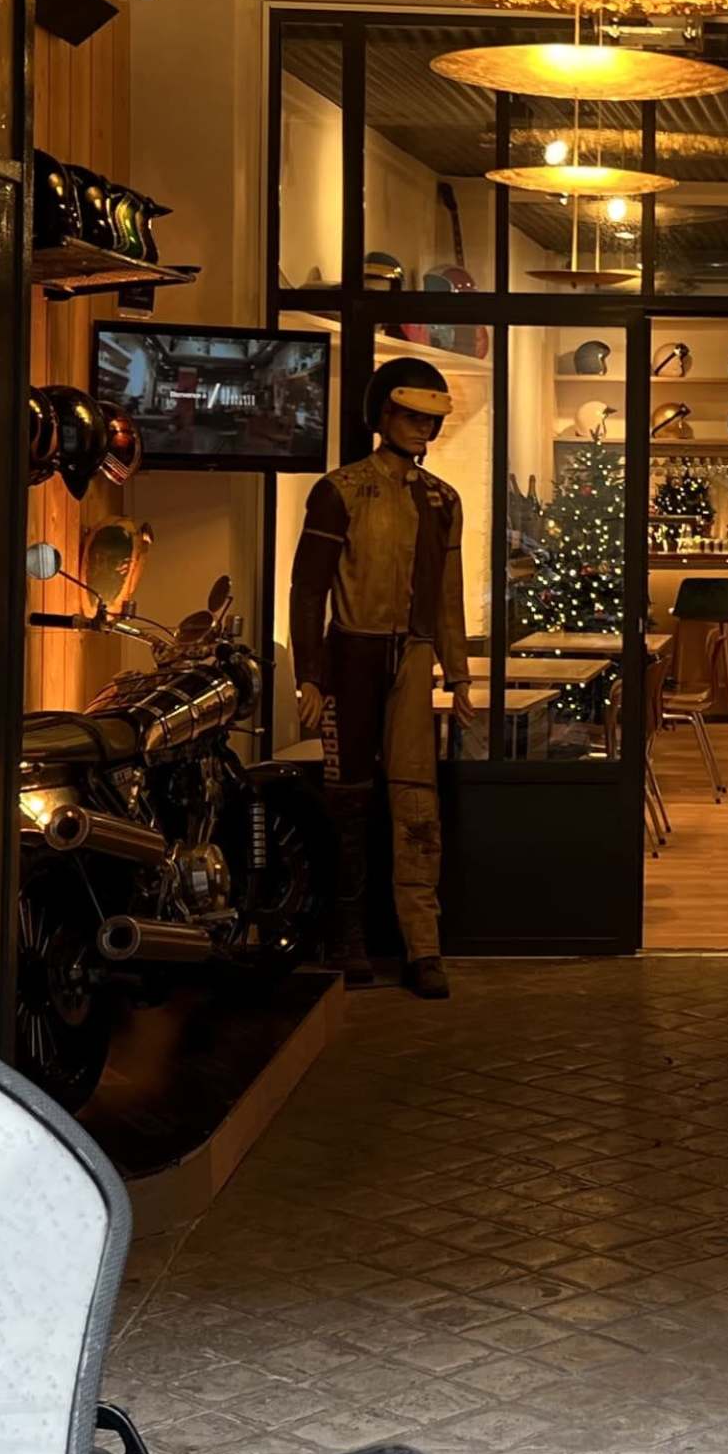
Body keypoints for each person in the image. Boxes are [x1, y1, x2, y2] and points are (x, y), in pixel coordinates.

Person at [287, 357, 470, 999]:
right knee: (349, 799)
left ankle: (423, 945)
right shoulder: (338, 490)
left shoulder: (443, 500)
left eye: (429, 419)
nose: (422, 429)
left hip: (413, 659)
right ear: (382, 414)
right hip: (352, 656)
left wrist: (460, 670)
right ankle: (348, 936)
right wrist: (309, 673)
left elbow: (449, 592)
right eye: (411, 416)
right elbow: (308, 590)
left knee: (418, 800)